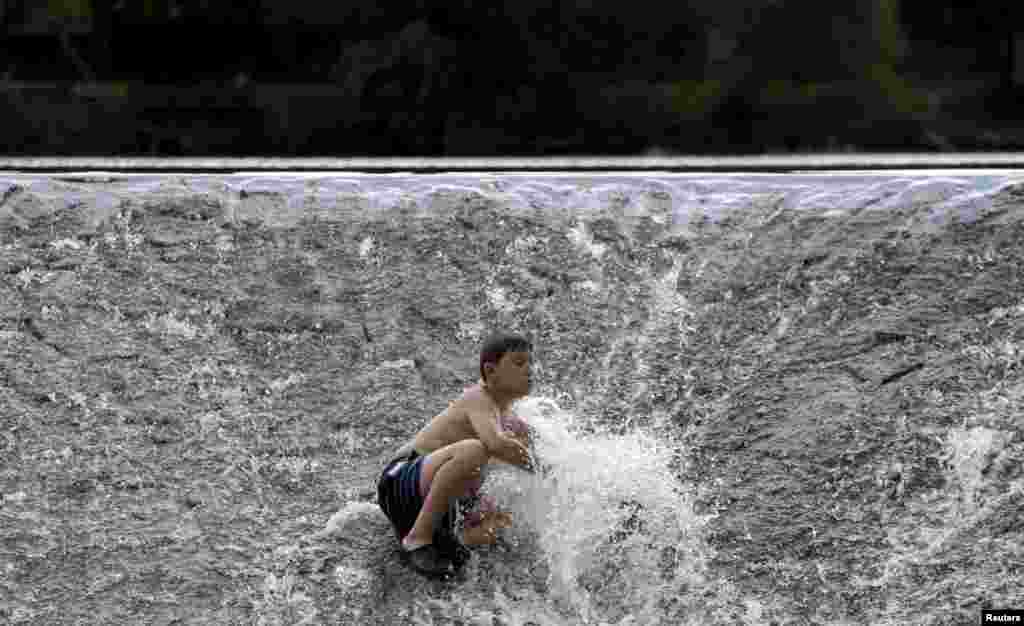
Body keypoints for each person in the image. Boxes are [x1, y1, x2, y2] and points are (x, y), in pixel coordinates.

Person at [377, 333, 537, 577]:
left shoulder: (512, 421)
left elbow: (537, 451)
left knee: (504, 520)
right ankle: (418, 539)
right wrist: (538, 468)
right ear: (491, 370)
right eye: (518, 363)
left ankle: (451, 541)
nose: (529, 370)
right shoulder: (478, 397)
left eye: (530, 363)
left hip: (435, 500)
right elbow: (494, 444)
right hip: (401, 482)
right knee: (476, 449)